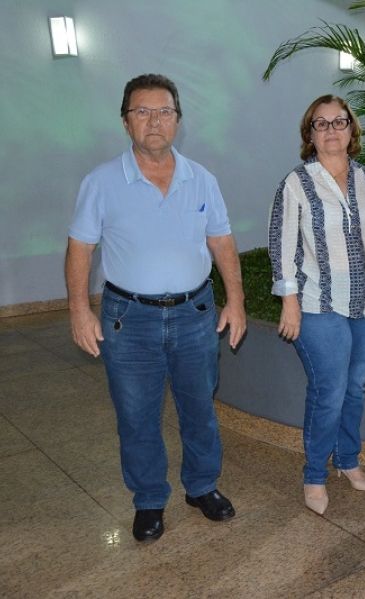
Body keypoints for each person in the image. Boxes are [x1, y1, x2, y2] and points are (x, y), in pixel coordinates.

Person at [65, 74, 246, 542]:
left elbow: (222, 241)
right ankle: (148, 500)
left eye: (163, 112)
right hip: (129, 320)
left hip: (196, 315)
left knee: (199, 409)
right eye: (142, 112)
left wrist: (237, 301)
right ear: (126, 121)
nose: (154, 121)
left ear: (178, 121)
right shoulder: (101, 182)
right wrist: (79, 310)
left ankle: (202, 486)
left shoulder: (201, 178)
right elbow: (80, 249)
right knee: (136, 415)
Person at [268, 95, 365, 516]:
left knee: (356, 387)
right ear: (310, 134)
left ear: (352, 130)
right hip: (318, 303)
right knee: (330, 389)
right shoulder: (297, 184)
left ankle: (349, 461)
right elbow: (281, 247)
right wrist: (289, 304)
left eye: (340, 122)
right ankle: (315, 474)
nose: (332, 130)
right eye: (322, 124)